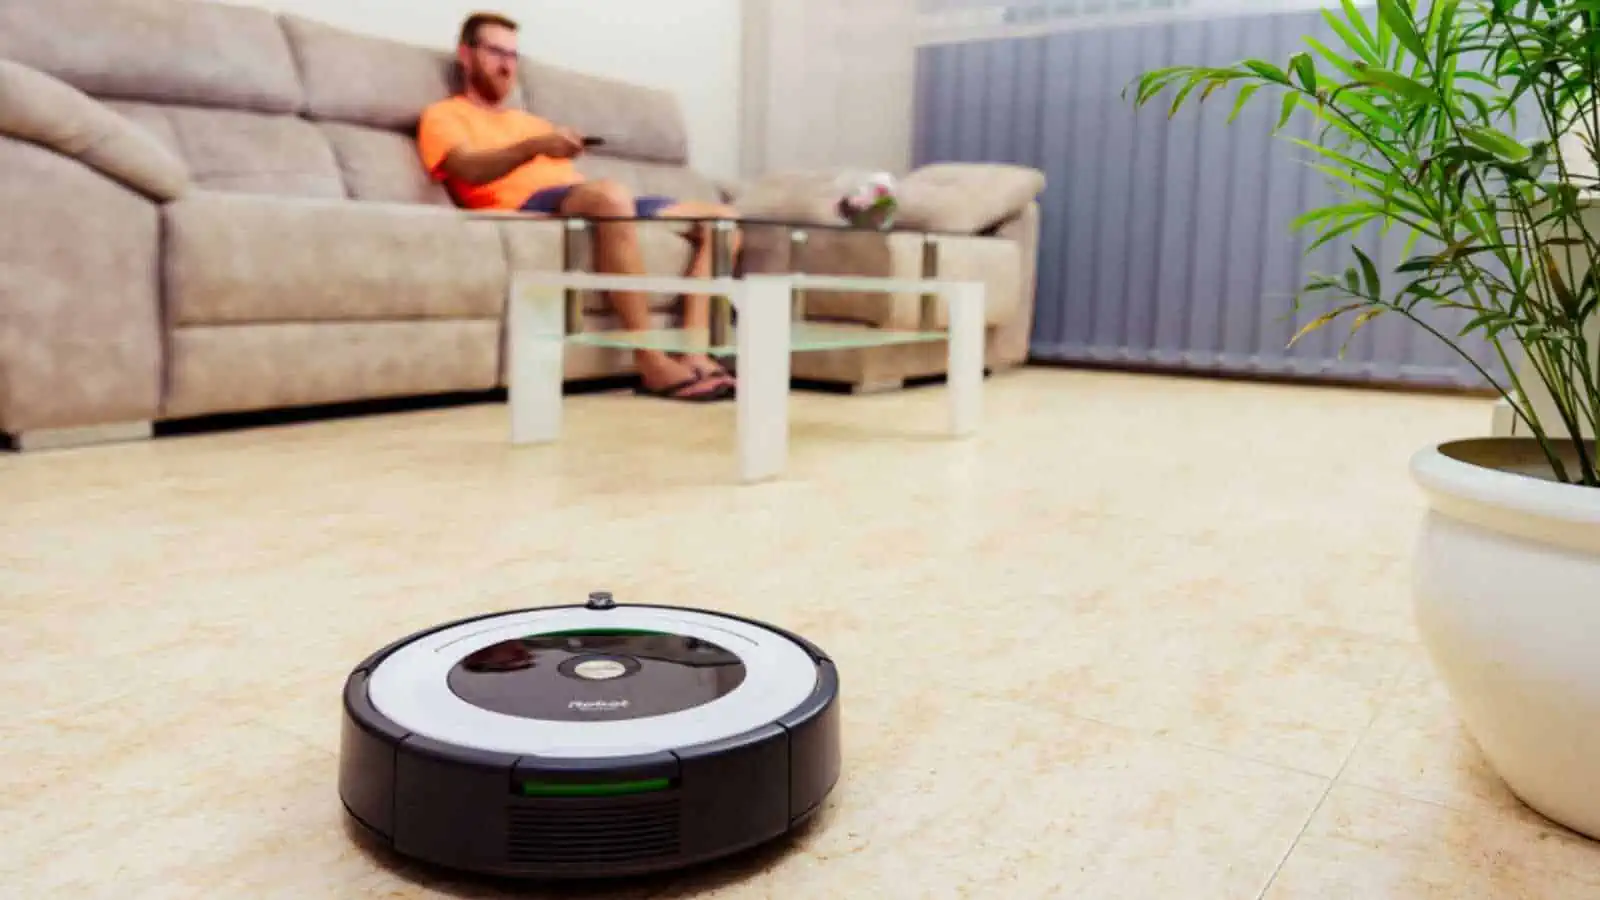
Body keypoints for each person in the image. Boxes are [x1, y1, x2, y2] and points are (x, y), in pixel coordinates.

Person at [418, 12, 741, 402]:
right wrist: (536, 147)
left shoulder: (530, 120)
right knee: (609, 195)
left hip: (577, 194)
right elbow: (467, 169)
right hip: (524, 204)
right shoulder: (443, 116)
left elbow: (569, 179)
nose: (506, 65)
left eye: (513, 56)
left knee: (724, 222)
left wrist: (554, 143)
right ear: (465, 55)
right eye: (495, 52)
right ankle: (651, 360)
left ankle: (694, 350)